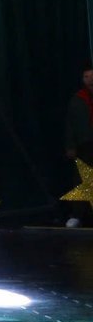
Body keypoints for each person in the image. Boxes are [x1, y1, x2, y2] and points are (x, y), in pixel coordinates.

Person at [65, 67, 93, 227]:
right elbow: (70, 125)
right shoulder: (78, 99)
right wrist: (70, 145)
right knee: (82, 179)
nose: (90, 79)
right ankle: (77, 214)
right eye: (86, 76)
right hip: (85, 144)